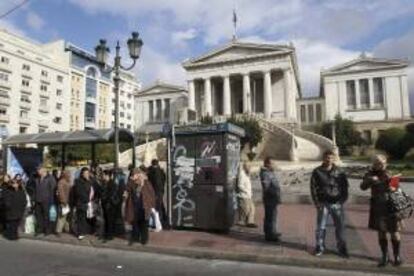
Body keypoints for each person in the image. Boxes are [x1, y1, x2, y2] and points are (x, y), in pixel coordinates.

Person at [360, 155, 404, 267]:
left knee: (395, 231)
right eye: (377, 163)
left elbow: (397, 189)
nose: (379, 165)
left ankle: (396, 256)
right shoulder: (370, 174)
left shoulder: (390, 173)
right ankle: (384, 256)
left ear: (385, 163)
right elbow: (363, 187)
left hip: (391, 206)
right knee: (381, 231)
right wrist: (369, 180)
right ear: (373, 163)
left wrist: (393, 187)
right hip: (378, 206)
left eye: (381, 163)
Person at [310, 150, 349, 258]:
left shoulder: (339, 171)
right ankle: (320, 247)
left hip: (337, 203)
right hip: (323, 203)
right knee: (321, 227)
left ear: (334, 159)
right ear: (323, 158)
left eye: (331, 158)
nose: (329, 159)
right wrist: (317, 203)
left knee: (340, 226)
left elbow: (345, 187)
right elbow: (313, 188)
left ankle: (342, 248)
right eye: (327, 157)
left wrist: (342, 200)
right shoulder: (317, 171)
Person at [124, 167, 156, 245]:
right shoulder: (131, 183)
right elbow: (130, 192)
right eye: (133, 175)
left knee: (144, 224)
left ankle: (144, 240)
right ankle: (136, 238)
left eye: (136, 174)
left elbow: (151, 193)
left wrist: (152, 205)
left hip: (144, 207)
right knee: (135, 223)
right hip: (134, 207)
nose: (134, 176)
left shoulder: (146, 182)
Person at [260, 157, 281, 242]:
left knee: (273, 216)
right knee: (270, 216)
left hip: (273, 198)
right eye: (272, 163)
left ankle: (273, 231)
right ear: (267, 164)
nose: (274, 165)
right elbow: (266, 187)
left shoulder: (270, 172)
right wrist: (273, 194)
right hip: (270, 199)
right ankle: (270, 235)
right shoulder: (265, 173)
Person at [71, 167, 95, 240]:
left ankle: (87, 231)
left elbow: (93, 189)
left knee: (89, 217)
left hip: (89, 203)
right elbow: (79, 193)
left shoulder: (90, 181)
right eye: (85, 173)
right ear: (82, 174)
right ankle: (80, 233)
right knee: (81, 218)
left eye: (88, 173)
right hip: (81, 203)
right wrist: (87, 199)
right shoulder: (78, 181)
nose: (87, 174)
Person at [34, 167, 57, 236]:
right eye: (37, 170)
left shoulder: (50, 178)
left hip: (47, 201)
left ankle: (47, 230)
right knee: (38, 216)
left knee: (46, 216)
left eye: (38, 170)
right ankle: (39, 230)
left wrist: (51, 200)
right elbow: (35, 189)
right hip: (38, 200)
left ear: (43, 171)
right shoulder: (37, 179)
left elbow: (53, 190)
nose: (37, 171)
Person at [101, 169, 122, 241]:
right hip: (105, 205)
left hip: (110, 205)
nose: (102, 176)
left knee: (110, 221)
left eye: (103, 175)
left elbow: (112, 195)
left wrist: (107, 200)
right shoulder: (104, 183)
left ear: (107, 176)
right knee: (106, 220)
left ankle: (110, 235)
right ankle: (106, 234)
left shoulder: (112, 184)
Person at [236, 162, 257, 227]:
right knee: (245, 210)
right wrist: (246, 191)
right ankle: (242, 222)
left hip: (248, 195)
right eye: (249, 166)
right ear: (245, 166)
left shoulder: (247, 174)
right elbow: (240, 185)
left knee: (252, 208)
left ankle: (250, 222)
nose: (250, 168)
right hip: (243, 195)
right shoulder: (242, 174)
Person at [147, 159, 167, 226]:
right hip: (160, 190)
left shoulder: (153, 171)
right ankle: (163, 219)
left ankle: (158, 221)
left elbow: (155, 182)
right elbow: (163, 179)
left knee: (156, 206)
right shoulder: (160, 170)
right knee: (160, 205)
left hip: (156, 191)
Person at [56, 171, 72, 235]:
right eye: (68, 175)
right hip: (64, 202)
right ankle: (58, 230)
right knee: (62, 216)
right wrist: (63, 201)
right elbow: (60, 192)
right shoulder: (61, 182)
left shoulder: (67, 181)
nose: (70, 176)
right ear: (65, 175)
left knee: (66, 216)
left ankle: (67, 229)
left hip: (68, 201)